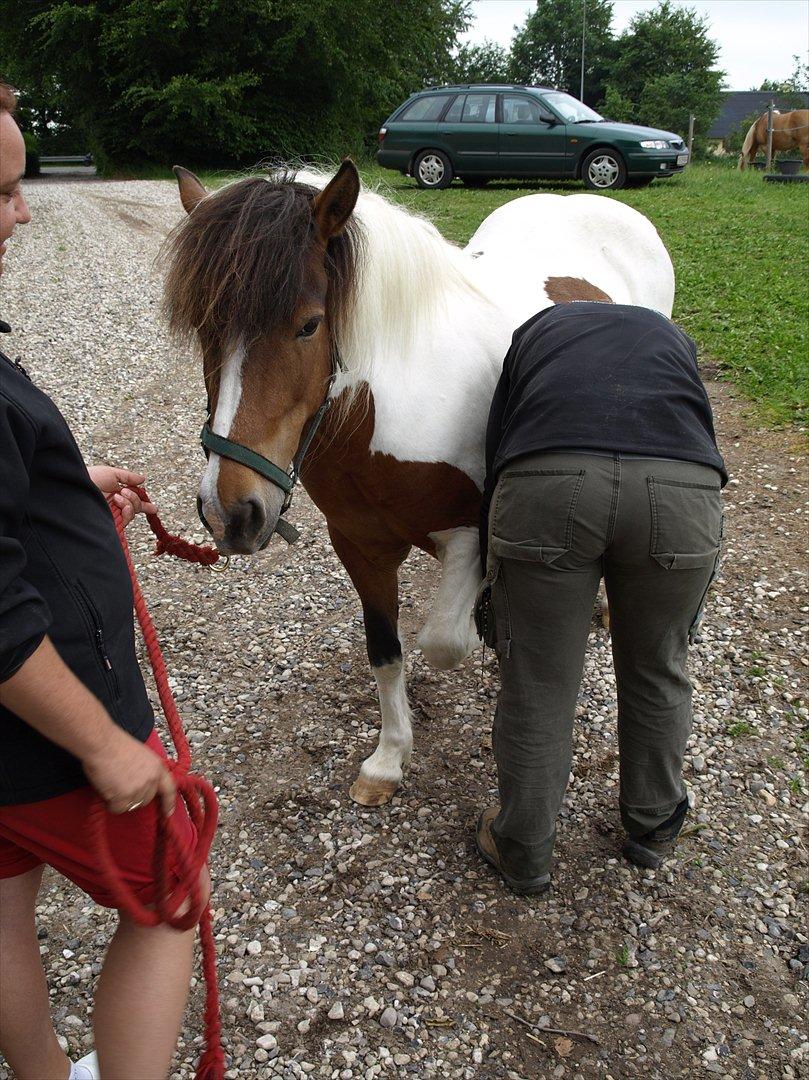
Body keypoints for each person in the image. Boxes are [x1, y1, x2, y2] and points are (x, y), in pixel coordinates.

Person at [0, 82, 208, 1079]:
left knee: (0, 901)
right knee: (171, 893)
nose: (24, 214)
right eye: (1, 194)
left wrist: (59, 487)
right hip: (43, 731)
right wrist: (105, 746)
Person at [474, 300, 726, 896]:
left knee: (538, 679)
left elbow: (497, 440)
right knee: (658, 667)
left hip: (550, 482)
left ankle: (523, 849)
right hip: (681, 491)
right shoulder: (669, 333)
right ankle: (653, 828)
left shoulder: (534, 329)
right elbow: (699, 427)